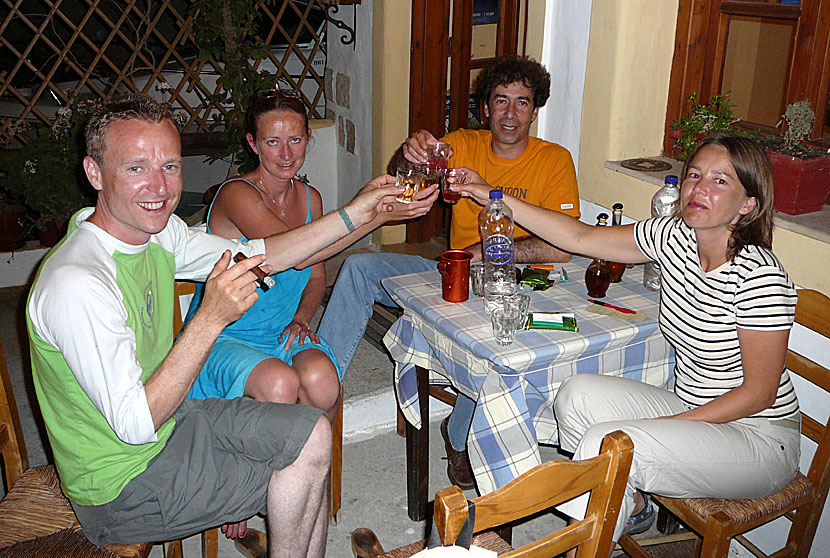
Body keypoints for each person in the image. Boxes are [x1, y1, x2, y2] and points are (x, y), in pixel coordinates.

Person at [25, 94, 407, 557]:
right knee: (304, 466)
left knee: (313, 433)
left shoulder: (155, 233)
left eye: (169, 166)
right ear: (94, 173)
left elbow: (262, 254)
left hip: (173, 425)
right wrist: (209, 319)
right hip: (122, 486)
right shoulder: (77, 284)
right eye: (135, 168)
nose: (159, 187)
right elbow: (135, 424)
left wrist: (362, 211)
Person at [451, 133, 801, 547]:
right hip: (694, 405)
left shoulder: (759, 277)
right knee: (575, 394)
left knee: (611, 444)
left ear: (748, 205)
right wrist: (492, 195)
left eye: (720, 181)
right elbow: (579, 238)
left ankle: (586, 543)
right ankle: (630, 508)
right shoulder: (674, 237)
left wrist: (665, 428)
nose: (699, 188)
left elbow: (759, 394)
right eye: (694, 175)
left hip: (759, 438)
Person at [317, 55, 580, 490]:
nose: (510, 114)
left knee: (495, 346)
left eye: (521, 102)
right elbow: (405, 184)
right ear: (485, 108)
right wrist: (410, 155)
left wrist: (489, 252)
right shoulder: (462, 143)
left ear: (535, 110)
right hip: (453, 274)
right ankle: (321, 387)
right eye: (500, 101)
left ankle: (459, 437)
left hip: (523, 288)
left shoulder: (554, 160)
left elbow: (564, 247)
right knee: (360, 266)